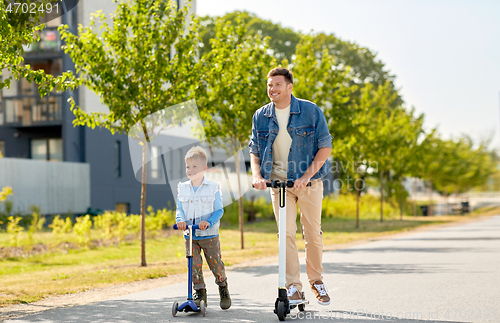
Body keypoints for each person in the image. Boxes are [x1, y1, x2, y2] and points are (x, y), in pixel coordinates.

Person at [249, 67, 333, 305]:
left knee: (312, 233)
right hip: (278, 184)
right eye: (269, 85)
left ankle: (316, 280)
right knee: (285, 235)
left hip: (309, 182)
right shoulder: (261, 115)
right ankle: (293, 287)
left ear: (289, 87)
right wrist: (257, 175)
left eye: (276, 84)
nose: (271, 89)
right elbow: (254, 150)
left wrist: (306, 175)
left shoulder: (310, 111)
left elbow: (325, 147)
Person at [175, 145, 231, 310]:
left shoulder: (213, 188)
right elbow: (180, 209)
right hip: (190, 235)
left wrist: (209, 222)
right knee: (194, 265)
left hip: (209, 235)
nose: (190, 170)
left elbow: (219, 210)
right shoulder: (183, 188)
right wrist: (180, 220)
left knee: (215, 264)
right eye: (188, 167)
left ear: (204, 168)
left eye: (194, 167)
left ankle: (222, 287)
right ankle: (200, 293)